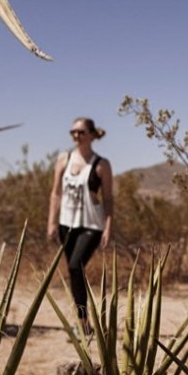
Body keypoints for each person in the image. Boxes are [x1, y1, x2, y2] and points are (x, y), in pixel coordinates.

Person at [47, 116, 113, 334]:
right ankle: (83, 324)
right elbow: (56, 193)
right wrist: (52, 223)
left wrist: (108, 226)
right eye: (73, 132)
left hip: (91, 225)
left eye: (81, 132)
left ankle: (83, 322)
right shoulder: (63, 159)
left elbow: (108, 198)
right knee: (74, 272)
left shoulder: (101, 165)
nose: (76, 136)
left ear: (92, 135)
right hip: (67, 223)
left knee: (76, 266)